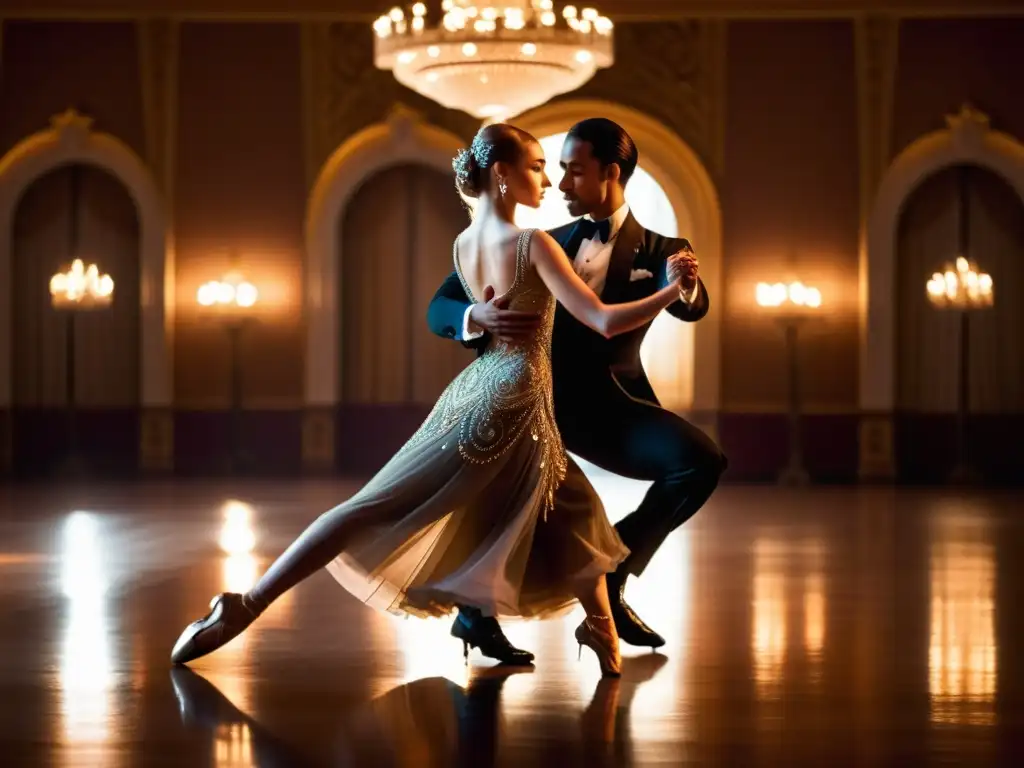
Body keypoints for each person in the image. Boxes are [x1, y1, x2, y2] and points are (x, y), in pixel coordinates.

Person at [170, 123, 693, 677]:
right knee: (398, 507)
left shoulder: (463, 245)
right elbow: (604, 321)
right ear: (501, 175)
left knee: (565, 509)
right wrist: (669, 292)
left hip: (479, 389)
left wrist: (480, 317)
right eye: (537, 165)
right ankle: (245, 604)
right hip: (512, 400)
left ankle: (600, 633)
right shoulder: (533, 242)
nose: (548, 178)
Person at [427, 118, 726, 664]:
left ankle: (613, 572)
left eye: (574, 171)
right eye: (555, 170)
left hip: (612, 407)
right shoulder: (541, 242)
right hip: (532, 396)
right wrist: (475, 314)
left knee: (702, 462)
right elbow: (440, 306)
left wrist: (683, 282)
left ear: (611, 174)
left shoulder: (663, 248)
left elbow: (692, 303)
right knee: (510, 500)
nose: (560, 185)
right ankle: (476, 612)